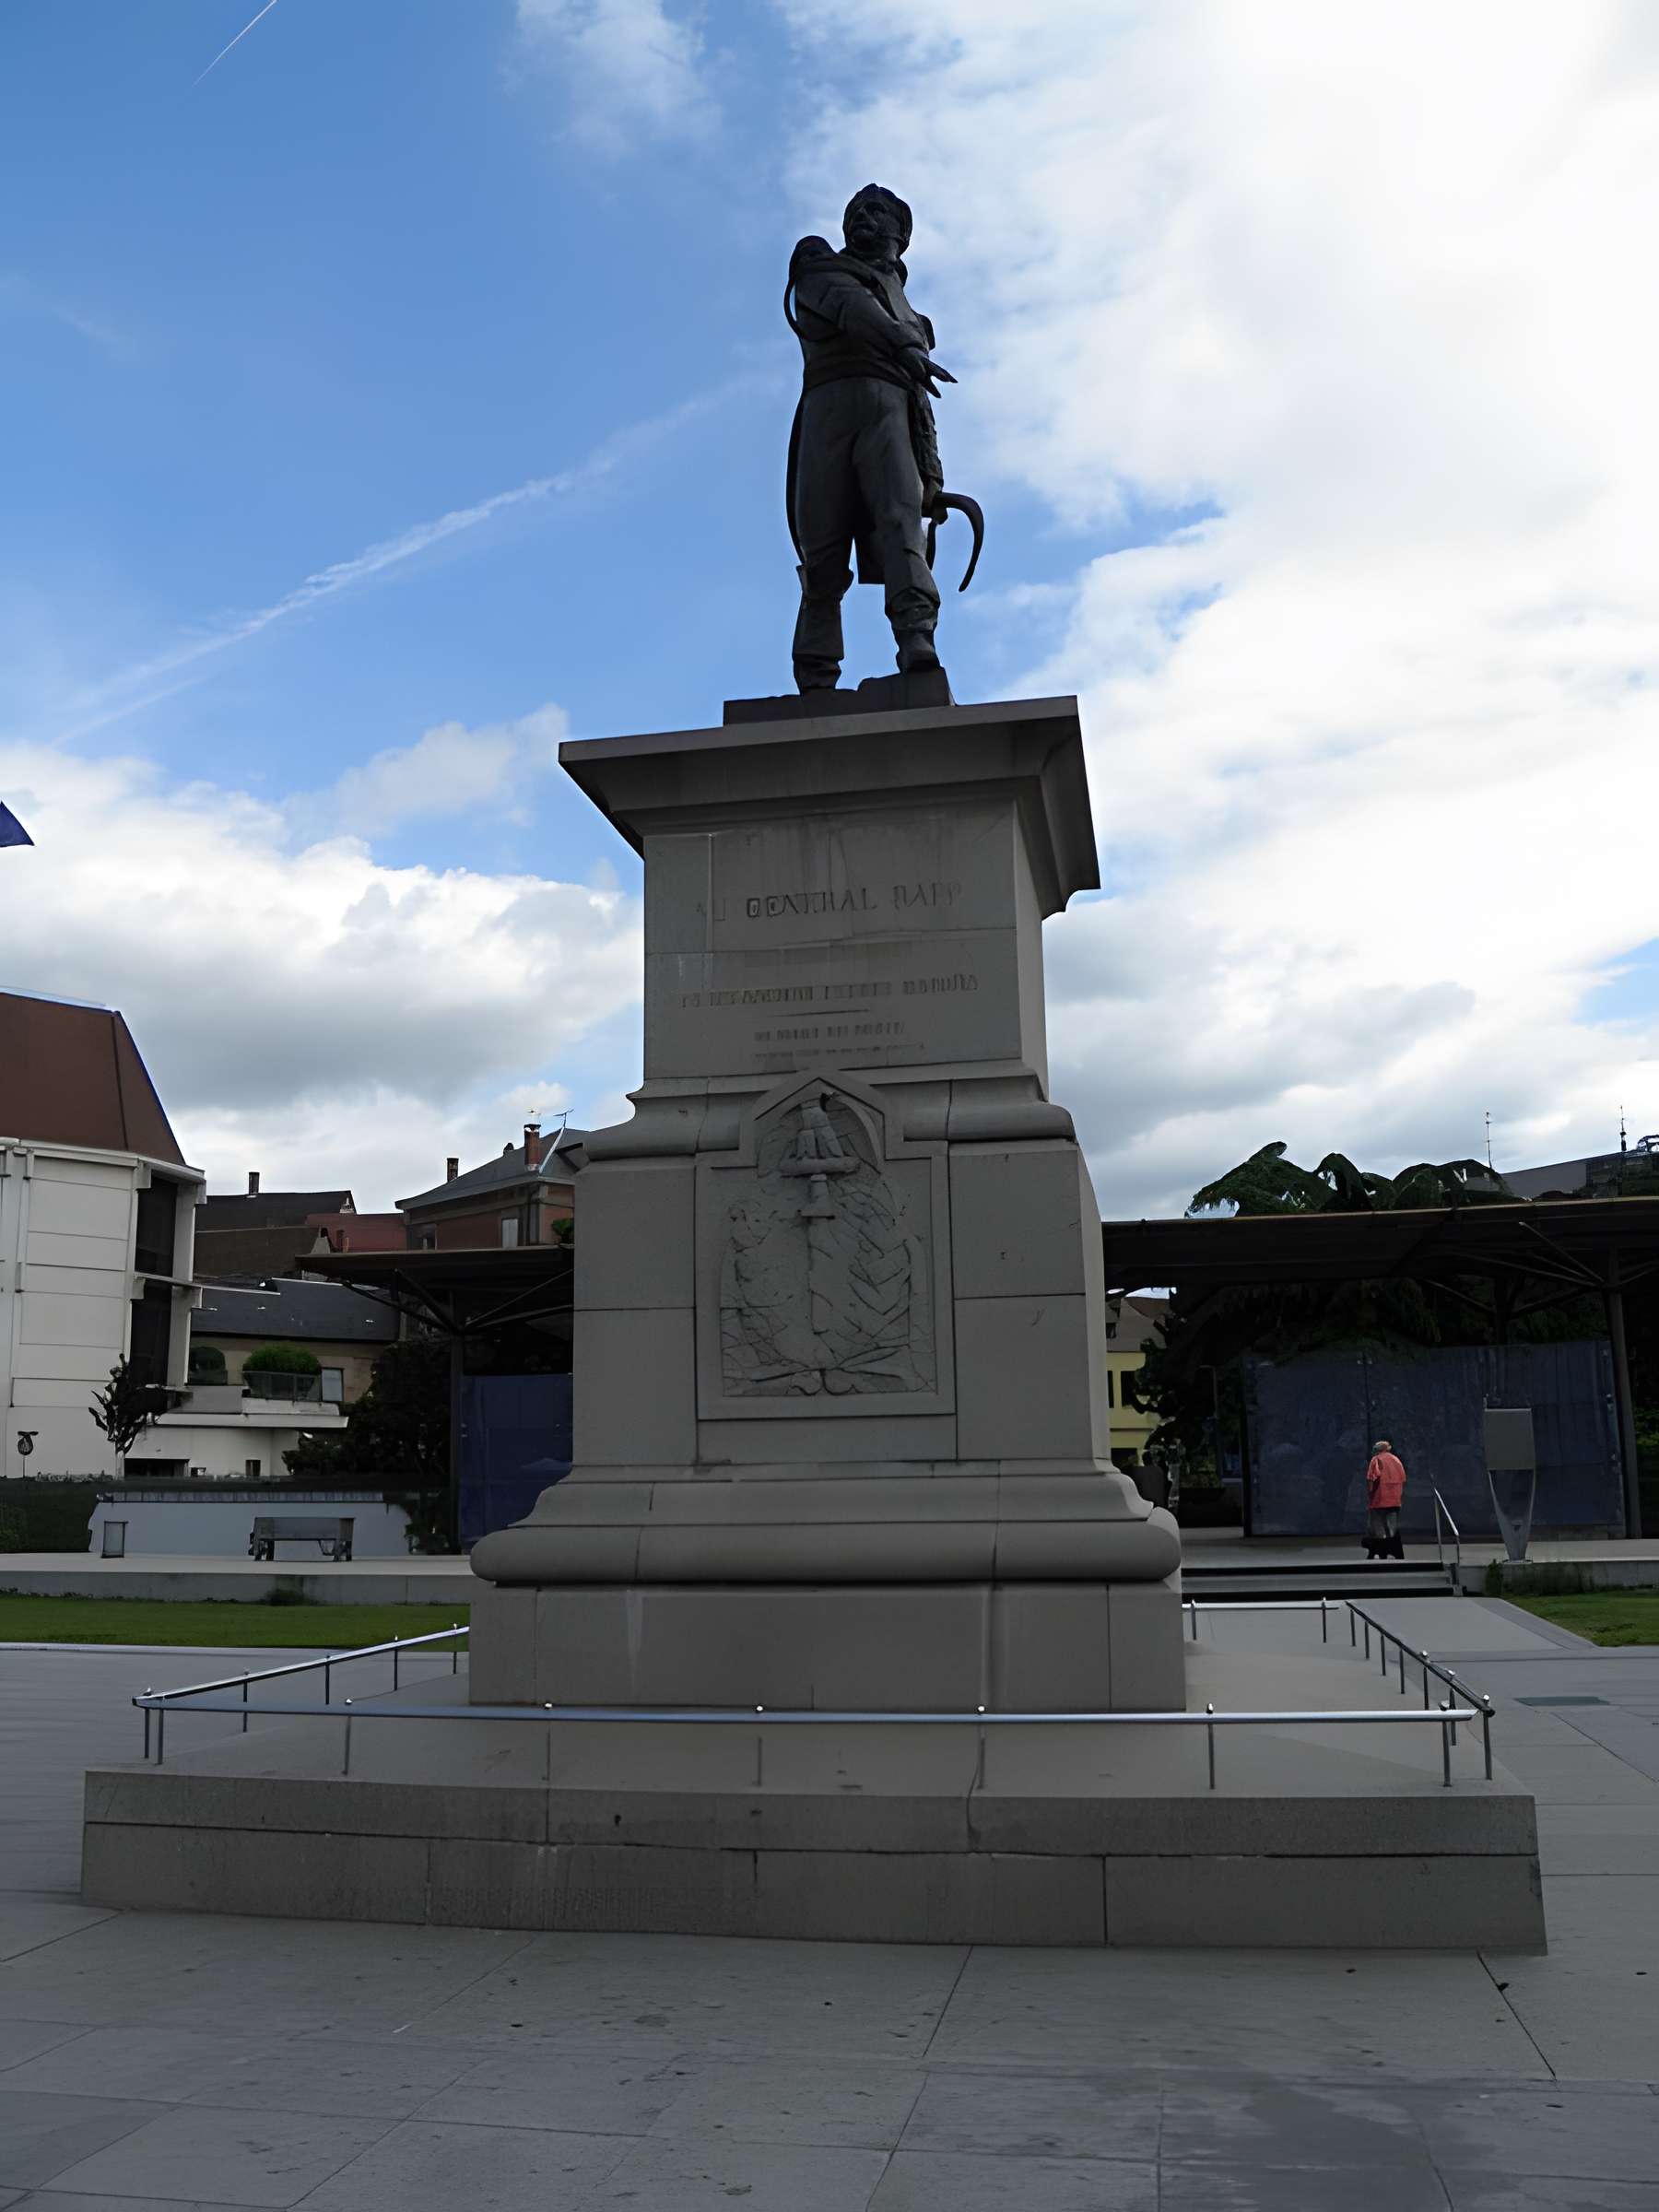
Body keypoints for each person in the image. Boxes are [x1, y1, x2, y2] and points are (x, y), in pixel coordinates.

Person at [784, 184, 953, 690]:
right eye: (856, 211)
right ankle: (816, 668)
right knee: (822, 547)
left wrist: (933, 476)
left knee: (903, 529)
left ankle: (916, 639)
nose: (863, 216)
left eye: (877, 212)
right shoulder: (818, 265)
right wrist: (905, 348)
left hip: (890, 415)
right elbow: (847, 307)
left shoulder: (913, 315)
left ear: (901, 235)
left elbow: (921, 408)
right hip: (829, 410)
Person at [1364, 1438, 1407, 1559]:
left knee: (1378, 1529)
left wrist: (1370, 1495)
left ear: (1377, 1450)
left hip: (1379, 1500)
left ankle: (1381, 1553)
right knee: (1392, 1529)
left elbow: (1371, 1478)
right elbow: (1403, 1478)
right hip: (1395, 1500)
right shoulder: (1396, 1460)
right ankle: (1394, 1552)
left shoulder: (1376, 1459)